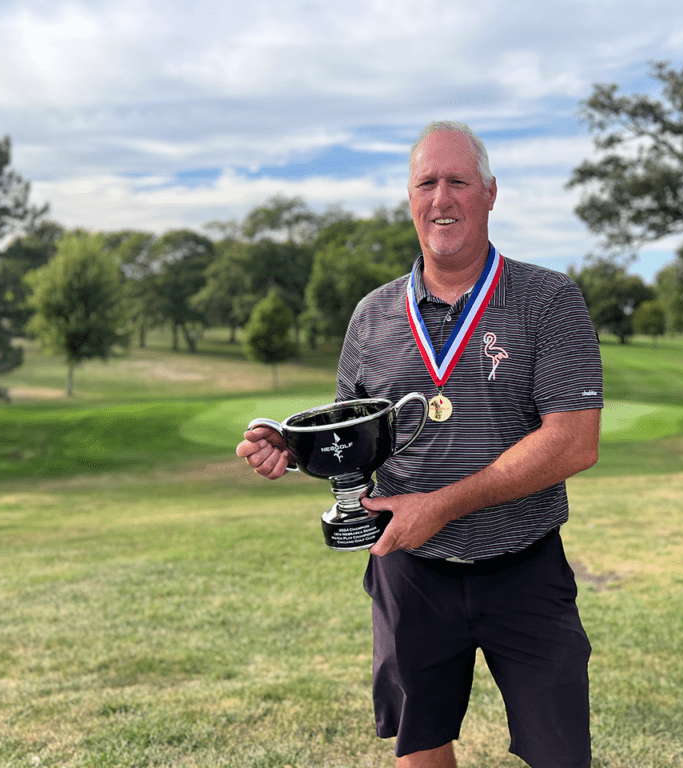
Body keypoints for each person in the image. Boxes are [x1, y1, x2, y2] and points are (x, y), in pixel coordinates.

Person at [237, 121, 603, 768]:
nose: (442, 198)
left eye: (458, 180)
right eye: (426, 183)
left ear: (490, 192)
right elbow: (352, 440)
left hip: (524, 564)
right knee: (421, 745)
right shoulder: (372, 315)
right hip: (409, 572)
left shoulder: (550, 300)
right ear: (409, 200)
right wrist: (293, 450)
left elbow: (573, 443)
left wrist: (440, 504)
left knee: (560, 753)